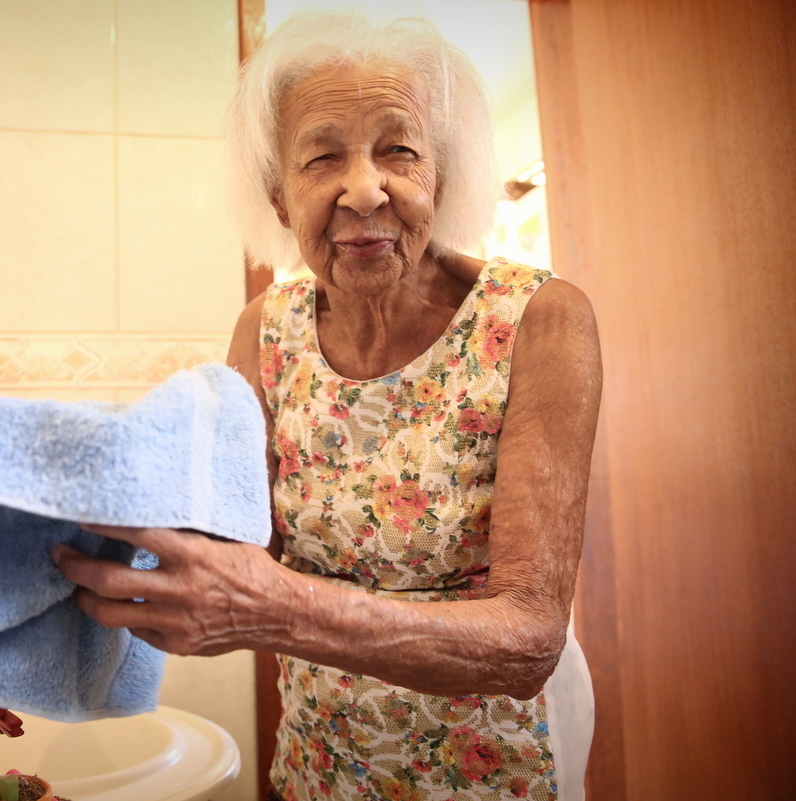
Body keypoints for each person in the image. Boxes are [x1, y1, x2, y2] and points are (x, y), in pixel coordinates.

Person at [52, 10, 599, 801]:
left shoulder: (538, 319)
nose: (365, 187)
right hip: (323, 755)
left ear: (439, 173)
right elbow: (231, 578)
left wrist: (270, 608)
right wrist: (62, 585)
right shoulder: (264, 331)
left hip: (497, 756)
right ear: (279, 196)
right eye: (322, 156)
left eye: (399, 149)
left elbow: (527, 638)